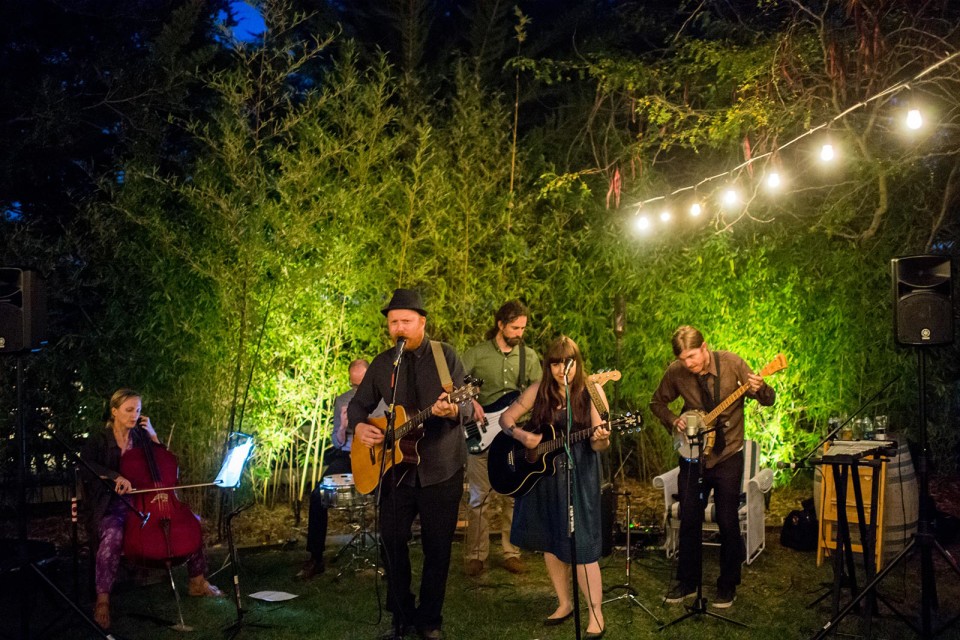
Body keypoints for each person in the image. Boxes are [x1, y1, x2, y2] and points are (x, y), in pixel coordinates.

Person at [349, 288, 474, 640]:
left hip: (441, 467)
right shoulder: (383, 362)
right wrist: (360, 427)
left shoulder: (444, 356)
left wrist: (454, 409)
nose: (399, 327)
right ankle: (401, 616)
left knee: (438, 547)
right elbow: (359, 406)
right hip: (394, 471)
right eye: (393, 322)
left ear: (422, 322)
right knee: (391, 542)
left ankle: (430, 620)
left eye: (406, 321)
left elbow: (466, 406)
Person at [650, 325, 776, 609]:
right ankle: (687, 581)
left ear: (704, 347)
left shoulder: (732, 364)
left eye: (693, 356)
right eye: (683, 359)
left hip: (729, 454)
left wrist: (762, 388)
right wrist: (674, 420)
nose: (689, 364)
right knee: (690, 518)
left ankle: (727, 584)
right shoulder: (676, 372)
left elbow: (768, 400)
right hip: (693, 454)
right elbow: (656, 403)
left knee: (728, 520)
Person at [80, 388, 222, 630]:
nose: (134, 415)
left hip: (146, 500)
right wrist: (114, 477)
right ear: (114, 411)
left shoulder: (142, 437)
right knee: (113, 535)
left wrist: (154, 437)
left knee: (191, 522)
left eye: (137, 410)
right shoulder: (99, 439)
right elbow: (85, 466)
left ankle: (197, 581)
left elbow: (165, 464)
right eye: (128, 410)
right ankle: (103, 600)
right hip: (112, 503)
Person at [498, 336, 610, 639]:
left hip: (579, 476)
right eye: (557, 363)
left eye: (568, 363)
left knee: (582, 546)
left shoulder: (593, 390)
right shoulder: (539, 390)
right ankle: (564, 603)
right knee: (550, 542)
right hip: (542, 478)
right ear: (549, 365)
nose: (563, 369)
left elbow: (601, 440)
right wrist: (522, 437)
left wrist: (601, 438)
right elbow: (506, 418)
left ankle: (596, 614)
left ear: (578, 363)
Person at [461, 300, 542, 577]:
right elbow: (455, 384)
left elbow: (538, 392)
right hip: (481, 432)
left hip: (513, 435)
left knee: (514, 496)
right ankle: (476, 554)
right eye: (515, 327)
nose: (520, 332)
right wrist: (471, 403)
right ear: (500, 324)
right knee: (478, 497)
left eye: (523, 328)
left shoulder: (528, 357)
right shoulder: (477, 354)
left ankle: (511, 551)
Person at [298, 358, 370, 579]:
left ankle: (392, 556)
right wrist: (344, 427)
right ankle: (316, 557)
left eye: (361, 384)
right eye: (353, 385)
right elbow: (337, 441)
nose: (357, 390)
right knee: (317, 495)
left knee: (394, 492)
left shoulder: (383, 399)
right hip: (347, 456)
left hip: (372, 457)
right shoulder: (342, 401)